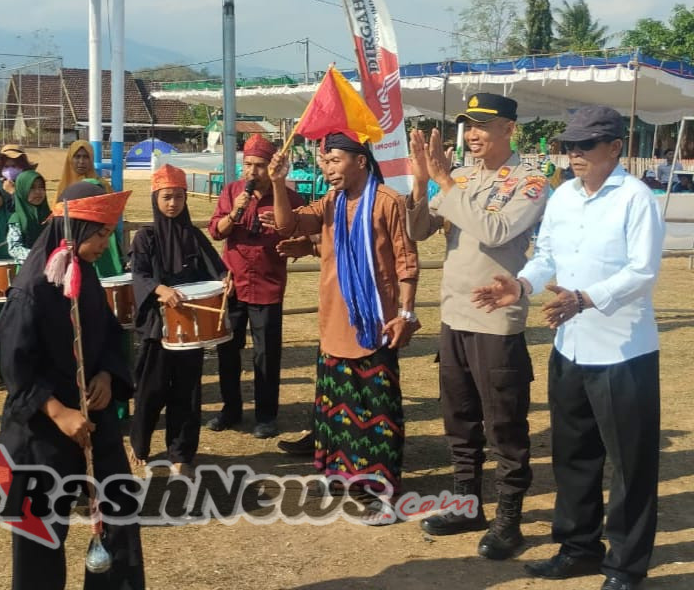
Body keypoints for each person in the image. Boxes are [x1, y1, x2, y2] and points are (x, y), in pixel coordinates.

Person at [473, 106, 665, 590]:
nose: (574, 154)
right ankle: (578, 548)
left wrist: (585, 298)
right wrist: (521, 285)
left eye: (585, 145)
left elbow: (642, 271)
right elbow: (547, 256)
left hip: (623, 352)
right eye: (569, 146)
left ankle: (625, 566)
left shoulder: (636, 198)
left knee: (630, 464)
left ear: (615, 147)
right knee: (573, 455)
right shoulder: (562, 196)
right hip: (571, 347)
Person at [406, 93, 547, 559]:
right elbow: (419, 231)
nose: (472, 134)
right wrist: (421, 183)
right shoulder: (463, 176)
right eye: (469, 126)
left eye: (483, 125)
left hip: (496, 322)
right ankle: (467, 506)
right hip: (454, 316)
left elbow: (495, 231)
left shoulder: (530, 181)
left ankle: (509, 520)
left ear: (510, 129)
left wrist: (445, 181)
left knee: (504, 425)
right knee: (460, 420)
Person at [0, 181, 145, 590]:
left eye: (109, 235)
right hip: (42, 428)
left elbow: (110, 335)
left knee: (119, 515)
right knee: (39, 533)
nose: (105, 245)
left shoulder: (85, 273)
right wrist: (58, 412)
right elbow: (13, 365)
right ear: (74, 230)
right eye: (100, 235)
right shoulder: (30, 289)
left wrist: (107, 375)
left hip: (93, 417)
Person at [270, 133, 419, 503]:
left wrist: (406, 313)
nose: (328, 169)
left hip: (375, 324)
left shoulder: (388, 202)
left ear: (361, 161)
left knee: (375, 408)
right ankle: (340, 475)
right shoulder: (331, 201)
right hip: (335, 320)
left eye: (335, 160)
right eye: (325, 162)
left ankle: (377, 485)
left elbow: (406, 262)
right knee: (337, 408)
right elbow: (288, 226)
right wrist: (277, 183)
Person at [128, 164, 227, 476]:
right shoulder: (145, 237)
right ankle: (139, 445)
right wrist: (159, 289)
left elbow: (216, 268)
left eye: (179, 197)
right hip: (158, 327)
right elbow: (138, 274)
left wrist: (226, 279)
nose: (173, 203)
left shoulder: (193, 236)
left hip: (190, 326)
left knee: (188, 391)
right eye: (167, 197)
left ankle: (181, 453)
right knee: (151, 389)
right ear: (155, 198)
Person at [207, 133, 304, 438]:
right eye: (248, 164)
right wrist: (235, 211)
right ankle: (231, 409)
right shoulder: (232, 191)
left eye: (259, 165)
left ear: (271, 166)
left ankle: (266, 416)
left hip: (267, 286)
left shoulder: (288, 198)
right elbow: (216, 231)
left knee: (266, 354)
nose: (252, 171)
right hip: (233, 285)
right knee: (227, 350)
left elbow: (302, 233)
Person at [7, 169, 52, 263]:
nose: (38, 192)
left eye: (41, 187)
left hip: (50, 266)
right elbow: (14, 248)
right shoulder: (17, 218)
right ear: (22, 190)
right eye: (32, 188)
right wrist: (38, 255)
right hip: (27, 267)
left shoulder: (51, 217)